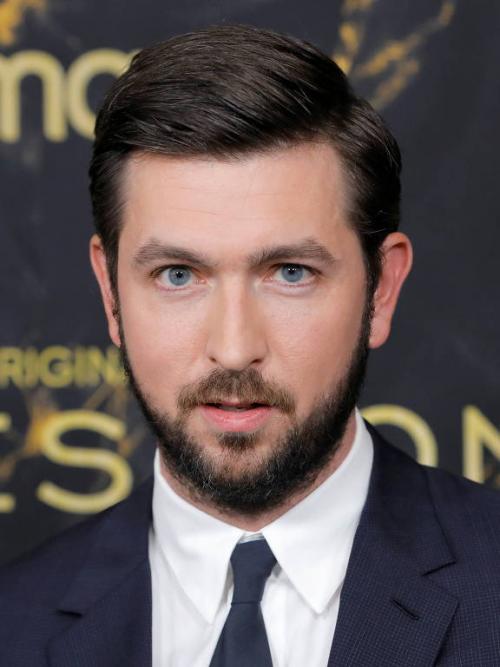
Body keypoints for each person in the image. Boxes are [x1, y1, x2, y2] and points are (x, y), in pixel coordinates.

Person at [0, 24, 499, 667]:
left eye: (290, 273)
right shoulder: (12, 625)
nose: (234, 349)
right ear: (110, 292)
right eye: (177, 275)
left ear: (381, 289)